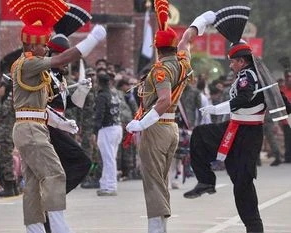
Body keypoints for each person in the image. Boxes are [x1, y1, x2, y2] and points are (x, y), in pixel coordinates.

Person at [7, 0, 106, 231]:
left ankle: (36, 229)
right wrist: (92, 39)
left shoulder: (32, 66)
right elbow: (62, 59)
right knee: (54, 174)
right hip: (31, 129)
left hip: (34, 125)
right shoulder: (28, 63)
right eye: (43, 45)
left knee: (33, 183)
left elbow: (38, 109)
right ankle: (59, 228)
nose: (46, 49)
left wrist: (62, 122)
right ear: (32, 46)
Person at [183, 6, 274, 233]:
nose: (231, 65)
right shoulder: (248, 73)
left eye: (233, 61)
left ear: (241, 61)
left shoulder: (248, 75)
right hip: (235, 127)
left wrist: (215, 109)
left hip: (247, 134)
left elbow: (243, 98)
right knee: (201, 136)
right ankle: (206, 180)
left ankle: (255, 228)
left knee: (242, 184)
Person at [125, 0, 202, 231]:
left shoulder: (161, 69)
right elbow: (187, 40)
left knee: (153, 180)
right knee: (161, 179)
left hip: (157, 127)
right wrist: (202, 22)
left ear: (157, 49)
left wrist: (141, 123)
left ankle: (156, 228)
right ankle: (161, 226)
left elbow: (164, 100)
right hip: (171, 128)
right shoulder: (182, 63)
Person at [46, 34, 91, 194]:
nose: (67, 62)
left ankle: (53, 204)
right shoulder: (45, 76)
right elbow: (42, 105)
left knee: (66, 166)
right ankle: (54, 196)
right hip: (50, 127)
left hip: (61, 126)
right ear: (54, 56)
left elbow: (70, 104)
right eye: (63, 56)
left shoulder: (60, 78)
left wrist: (82, 91)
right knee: (82, 162)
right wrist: (60, 123)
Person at [92, 73, 122, 196]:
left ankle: (110, 186)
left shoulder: (101, 96)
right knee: (109, 158)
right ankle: (105, 184)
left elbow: (99, 115)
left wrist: (95, 132)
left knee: (108, 159)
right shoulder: (114, 94)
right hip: (117, 127)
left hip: (107, 129)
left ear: (99, 82)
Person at [0, 78, 17, 197]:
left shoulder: (9, 98)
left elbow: (1, 111)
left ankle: (9, 188)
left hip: (6, 135)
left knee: (6, 161)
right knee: (8, 160)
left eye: (1, 87)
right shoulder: (11, 97)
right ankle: (13, 186)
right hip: (6, 134)